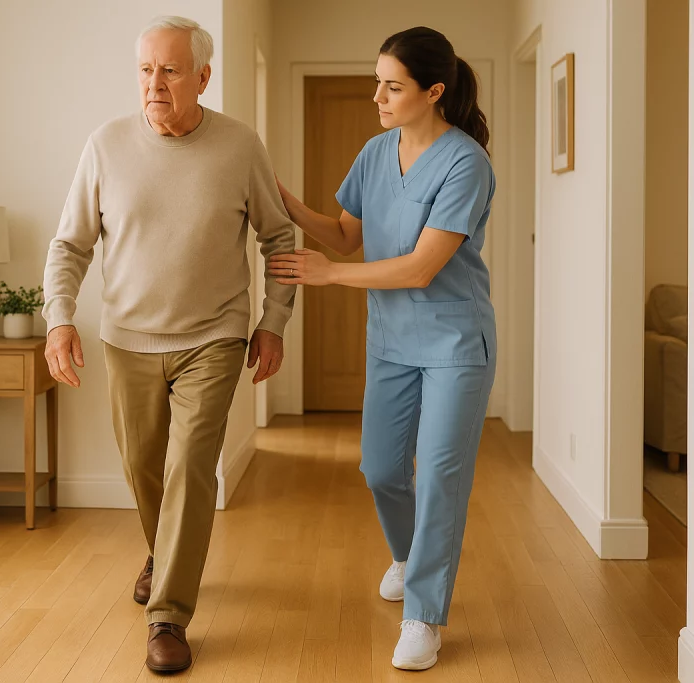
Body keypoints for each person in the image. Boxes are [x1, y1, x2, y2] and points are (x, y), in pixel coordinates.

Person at [41, 15, 296, 674]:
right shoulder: (105, 146)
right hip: (127, 338)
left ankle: (169, 614)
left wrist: (272, 321)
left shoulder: (240, 146)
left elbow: (280, 238)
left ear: (203, 78)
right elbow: (70, 244)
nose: (154, 84)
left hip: (214, 335)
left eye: (170, 70)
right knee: (144, 465)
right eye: (146, 69)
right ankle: (163, 551)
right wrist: (58, 317)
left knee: (190, 466)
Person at [270, 26, 496, 671]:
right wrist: (288, 203)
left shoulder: (465, 163)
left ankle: (424, 615)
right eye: (377, 83)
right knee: (382, 470)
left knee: (441, 478)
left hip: (455, 339)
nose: (378, 96)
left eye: (393, 87)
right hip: (393, 340)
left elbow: (422, 266)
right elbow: (344, 234)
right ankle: (406, 555)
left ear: (433, 91)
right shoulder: (375, 152)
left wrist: (327, 276)